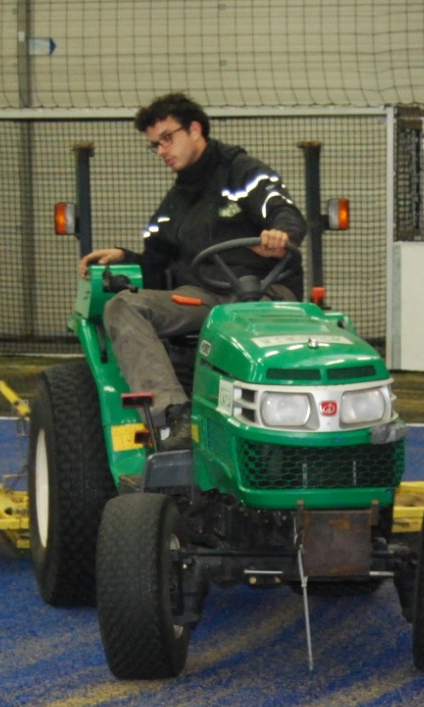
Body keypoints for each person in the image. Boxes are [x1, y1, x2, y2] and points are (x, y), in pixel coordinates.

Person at [79, 93, 309, 451]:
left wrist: (281, 235)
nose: (161, 151)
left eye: (167, 139)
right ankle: (173, 419)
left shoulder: (244, 174)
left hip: (265, 297)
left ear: (196, 129)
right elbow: (155, 265)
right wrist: (124, 256)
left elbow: (284, 212)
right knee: (122, 307)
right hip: (206, 299)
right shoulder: (174, 205)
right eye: (155, 145)